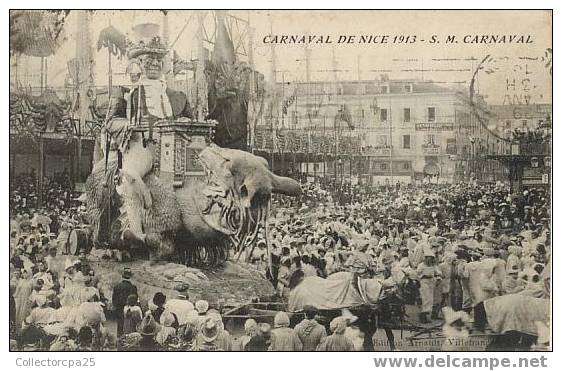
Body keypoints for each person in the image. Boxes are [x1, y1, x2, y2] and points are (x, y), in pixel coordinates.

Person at [416, 249, 442, 323]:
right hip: (424, 281)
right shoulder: (421, 265)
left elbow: (439, 273)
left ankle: (427, 315)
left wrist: (438, 278)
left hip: (431, 281)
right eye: (428, 257)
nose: (430, 259)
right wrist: (422, 275)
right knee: (425, 298)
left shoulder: (433, 266)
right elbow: (417, 273)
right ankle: (423, 315)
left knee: (430, 299)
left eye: (431, 258)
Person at [112, 268, 138, 337]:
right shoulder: (133, 287)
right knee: (130, 327)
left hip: (120, 309)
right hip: (130, 310)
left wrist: (117, 308)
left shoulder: (117, 287)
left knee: (120, 326)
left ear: (122, 276)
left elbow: (114, 301)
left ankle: (119, 341)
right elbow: (136, 300)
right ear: (130, 277)